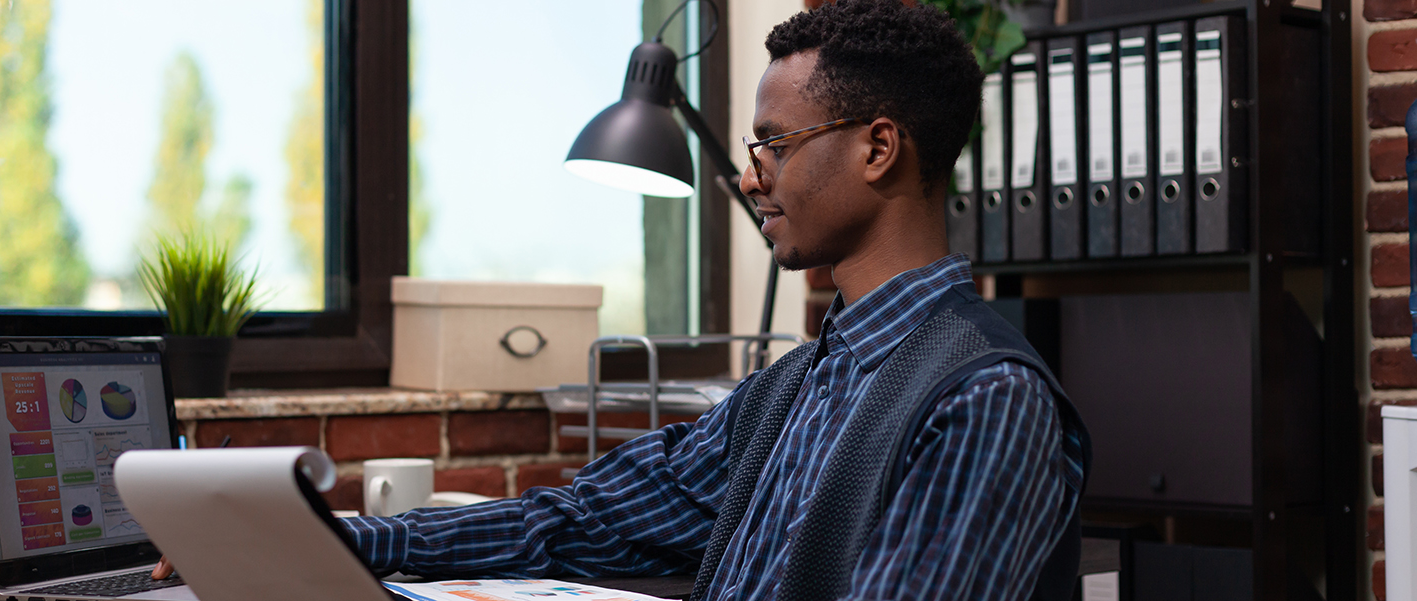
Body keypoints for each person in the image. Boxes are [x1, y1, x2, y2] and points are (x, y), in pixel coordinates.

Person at [155, 1, 1089, 598]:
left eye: (774, 144)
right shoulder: (800, 386)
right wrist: (346, 539)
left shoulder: (982, 400)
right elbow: (581, 519)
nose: (753, 177)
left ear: (878, 148)